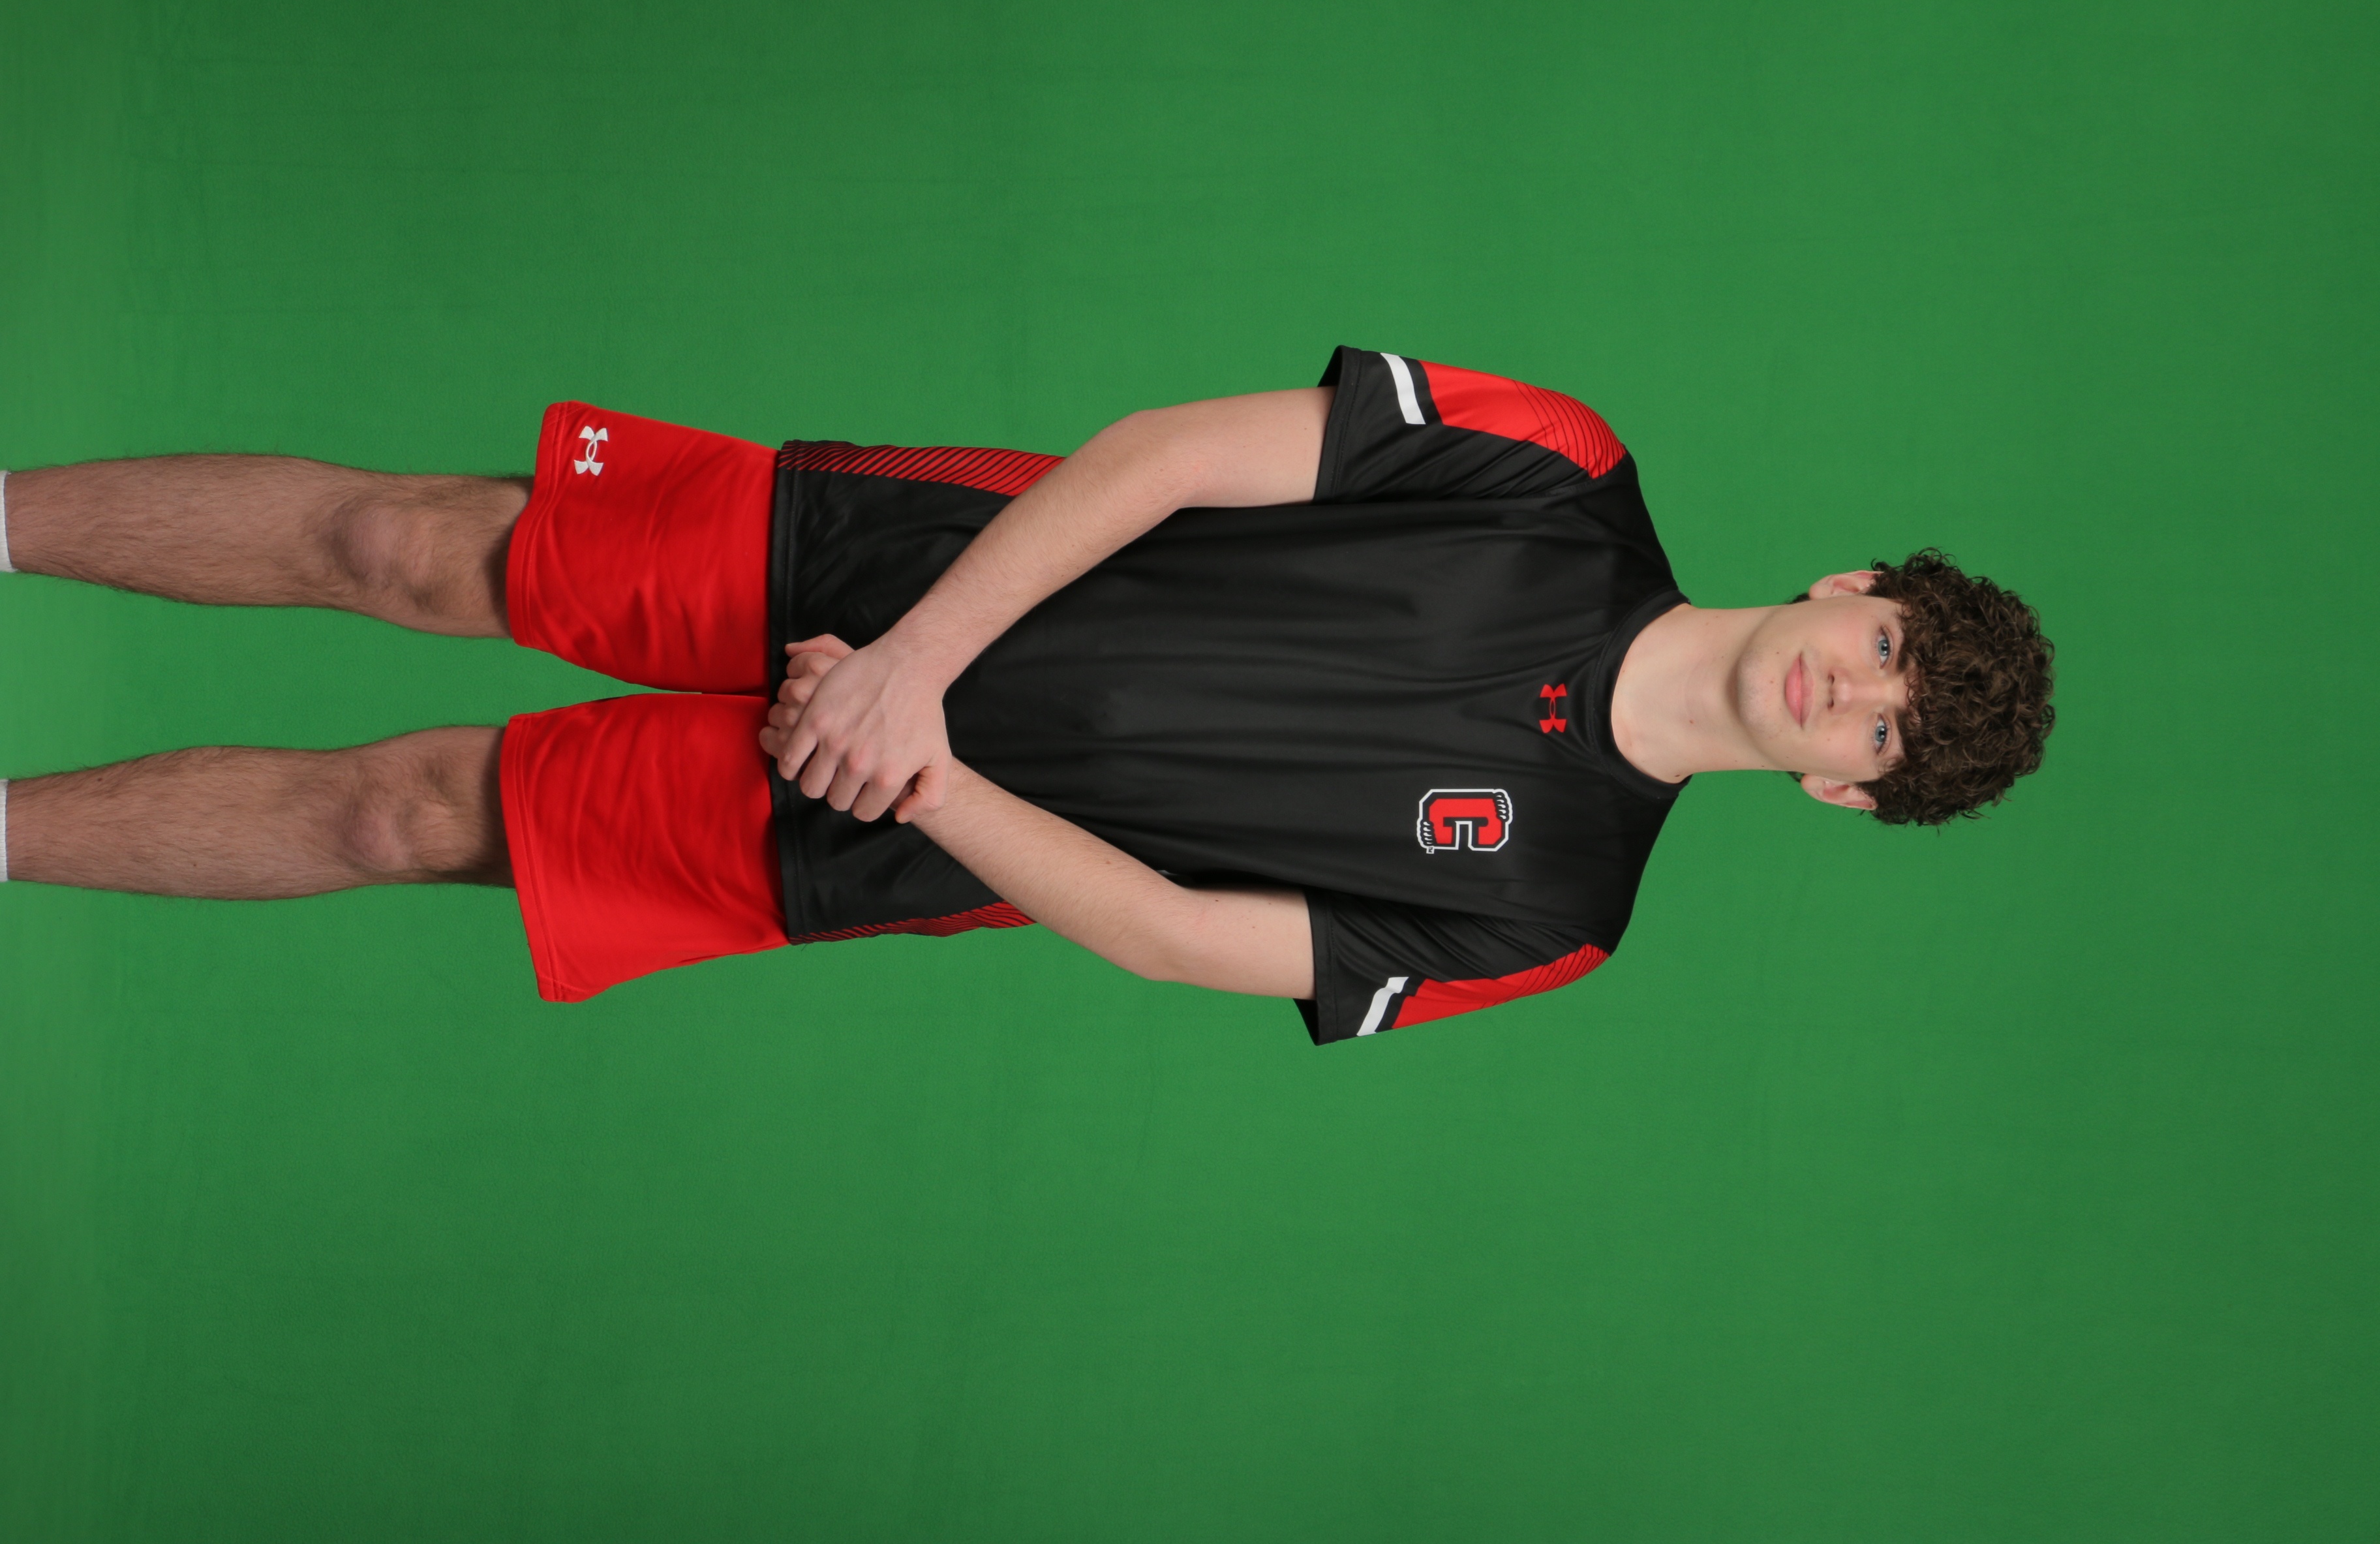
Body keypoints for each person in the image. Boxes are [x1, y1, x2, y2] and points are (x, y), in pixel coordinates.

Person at [0, 348, 2054, 1042]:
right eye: (1892, 646)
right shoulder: (1558, 472)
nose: (1850, 690)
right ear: (1852, 587)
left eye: (1886, 732)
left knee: (405, 817)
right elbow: (1164, 454)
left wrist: (917, 772)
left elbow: (1175, 937)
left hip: (876, 822)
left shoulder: (1554, 914)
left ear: (1847, 794)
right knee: (404, 546)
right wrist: (910, 665)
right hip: (885, 568)